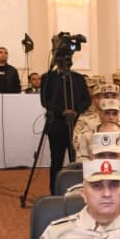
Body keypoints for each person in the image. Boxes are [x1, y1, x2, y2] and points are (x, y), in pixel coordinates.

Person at [40, 57, 91, 193]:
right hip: (56, 126)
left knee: (78, 160)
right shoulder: (47, 78)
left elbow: (87, 100)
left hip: (76, 126)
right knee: (56, 160)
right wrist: (62, 111)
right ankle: (55, 191)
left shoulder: (78, 78)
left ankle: (80, 190)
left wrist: (76, 111)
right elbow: (45, 101)